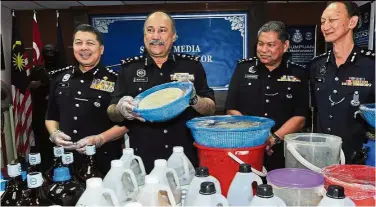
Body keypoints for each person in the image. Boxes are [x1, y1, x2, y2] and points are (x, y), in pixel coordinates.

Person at [107, 11, 216, 173]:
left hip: (183, 158)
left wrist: (193, 99)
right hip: (144, 161)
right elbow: (112, 113)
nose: (155, 36)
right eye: (150, 30)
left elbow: (211, 109)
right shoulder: (129, 69)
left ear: (173, 36)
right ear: (144, 36)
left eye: (162, 30)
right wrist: (120, 109)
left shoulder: (191, 66)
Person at [225, 21, 309, 171]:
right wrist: (255, 136)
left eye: (270, 45)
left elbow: (300, 117)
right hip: (248, 147)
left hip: (284, 151)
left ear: (285, 46)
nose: (263, 50)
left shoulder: (298, 74)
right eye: (260, 44)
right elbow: (231, 108)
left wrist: (272, 139)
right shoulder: (243, 69)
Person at [45, 24, 128, 175]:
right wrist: (54, 133)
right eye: (78, 43)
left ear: (101, 49)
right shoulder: (59, 78)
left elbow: (126, 124)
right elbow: (51, 116)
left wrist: (100, 139)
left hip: (104, 161)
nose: (83, 48)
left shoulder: (116, 80)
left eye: (90, 43)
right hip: (66, 162)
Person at [309, 1, 375, 164]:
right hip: (322, 158)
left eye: (333, 20)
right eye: (323, 21)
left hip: (359, 159)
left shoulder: (371, 64)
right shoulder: (317, 65)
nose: (326, 26)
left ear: (352, 22)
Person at [28, 44, 58, 170]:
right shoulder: (37, 71)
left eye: (52, 52)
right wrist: (40, 84)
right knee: (43, 141)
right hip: (41, 112)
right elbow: (30, 85)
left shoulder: (63, 70)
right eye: (46, 52)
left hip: (57, 112)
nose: (49, 55)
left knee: (58, 142)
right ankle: (44, 168)